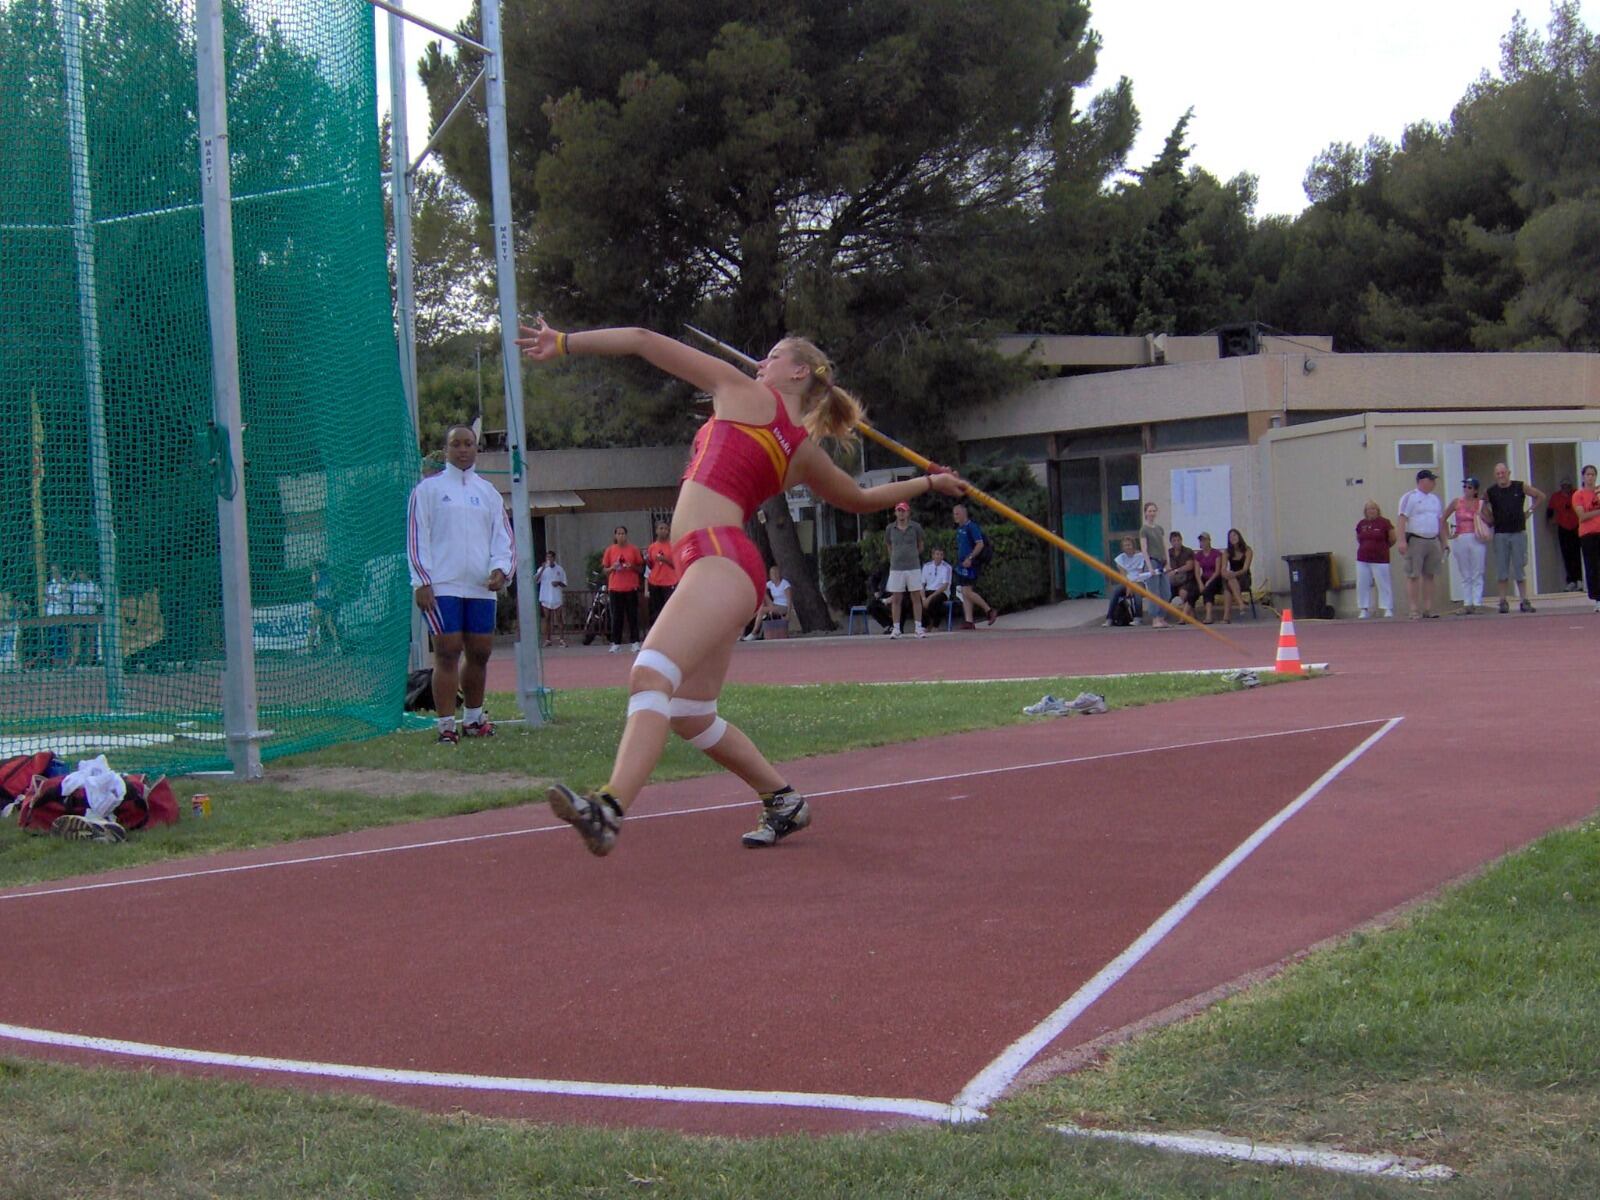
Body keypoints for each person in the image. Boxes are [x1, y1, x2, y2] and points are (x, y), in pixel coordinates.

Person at [515, 318, 967, 855]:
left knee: (649, 675)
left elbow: (641, 340)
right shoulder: (801, 448)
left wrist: (565, 343)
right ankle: (781, 798)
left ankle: (608, 807)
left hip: (717, 556)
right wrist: (931, 481)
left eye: (774, 356)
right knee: (687, 713)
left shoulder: (745, 393)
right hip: (727, 564)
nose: (762, 362)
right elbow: (860, 500)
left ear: (799, 371)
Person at [407, 423, 514, 743]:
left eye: (469, 443)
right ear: (447, 449)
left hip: (481, 587)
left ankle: (472, 720)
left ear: (476, 449)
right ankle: (445, 727)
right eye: (457, 444)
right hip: (443, 585)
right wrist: (422, 581)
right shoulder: (427, 491)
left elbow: (503, 538)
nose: (463, 449)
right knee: (448, 651)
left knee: (480, 652)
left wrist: (500, 569)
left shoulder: (489, 493)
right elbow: (416, 538)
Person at [1485, 462, 1545, 614]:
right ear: (1495, 475)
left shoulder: (1520, 486)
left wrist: (1529, 510)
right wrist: (1489, 519)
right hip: (1500, 534)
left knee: (1519, 568)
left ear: (1508, 473)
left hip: (1518, 532)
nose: (1501, 476)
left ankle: (1524, 600)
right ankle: (1503, 601)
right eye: (1498, 473)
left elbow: (1540, 496)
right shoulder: (1491, 491)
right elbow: (1481, 506)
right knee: (1502, 569)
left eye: (1503, 472)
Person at [1396, 469, 1447, 619]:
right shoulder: (1409, 497)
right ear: (1422, 481)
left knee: (1430, 574)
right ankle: (1413, 608)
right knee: (1414, 574)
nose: (1433, 483)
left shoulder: (1435, 499)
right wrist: (1401, 540)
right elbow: (1402, 519)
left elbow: (1440, 521)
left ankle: (1428, 608)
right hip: (1416, 539)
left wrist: (1444, 541)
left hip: (1432, 539)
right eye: (1431, 480)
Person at [1443, 477, 1490, 615]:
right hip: (1460, 537)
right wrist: (1448, 534)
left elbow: (1490, 520)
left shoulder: (1480, 503)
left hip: (1476, 537)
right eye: (1465, 487)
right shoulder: (1457, 502)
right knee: (1465, 572)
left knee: (1478, 570)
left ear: (1475, 490)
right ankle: (1467, 602)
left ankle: (1477, 602)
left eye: (1469, 487)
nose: (1466, 490)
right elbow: (1443, 517)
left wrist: (1481, 513)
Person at [884, 501, 927, 638]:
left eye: (903, 511)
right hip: (896, 568)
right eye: (899, 511)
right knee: (896, 597)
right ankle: (896, 628)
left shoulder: (916, 527)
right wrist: (895, 557)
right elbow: (889, 546)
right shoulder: (890, 529)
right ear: (895, 513)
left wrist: (913, 555)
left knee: (916, 596)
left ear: (908, 512)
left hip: (913, 567)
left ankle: (918, 627)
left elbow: (920, 545)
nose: (901, 513)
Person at [952, 503, 998, 629]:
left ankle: (989, 610)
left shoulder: (971, 527)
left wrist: (970, 557)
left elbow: (980, 544)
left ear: (963, 514)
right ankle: (969, 620)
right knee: (964, 591)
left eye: (957, 514)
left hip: (971, 564)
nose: (955, 516)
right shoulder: (960, 529)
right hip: (962, 564)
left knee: (967, 590)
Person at [601, 525, 645, 653]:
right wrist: (612, 568)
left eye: (623, 533)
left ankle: (635, 642)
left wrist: (632, 567)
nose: (621, 536)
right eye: (618, 533)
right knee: (617, 616)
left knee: (632, 616)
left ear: (627, 535)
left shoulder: (633, 549)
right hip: (615, 587)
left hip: (631, 587)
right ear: (615, 536)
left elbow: (641, 569)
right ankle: (616, 643)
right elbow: (605, 570)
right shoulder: (610, 550)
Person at [1354, 500, 1396, 619]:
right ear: (1365, 511)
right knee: (1362, 583)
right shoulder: (1361, 524)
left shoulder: (1384, 523)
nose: (1371, 511)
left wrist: (1383, 548)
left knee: (1383, 583)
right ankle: (1364, 609)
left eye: (1373, 508)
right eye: (1368, 509)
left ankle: (1387, 608)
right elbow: (1359, 538)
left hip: (1380, 559)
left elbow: (1392, 538)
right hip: (1362, 559)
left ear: (1378, 510)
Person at [1102, 535, 1153, 626]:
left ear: (1133, 545)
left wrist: (1132, 585)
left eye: (1129, 545)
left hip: (1139, 581)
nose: (1127, 547)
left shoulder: (1141, 556)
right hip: (1127, 582)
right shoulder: (1120, 558)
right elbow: (1123, 574)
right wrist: (1129, 585)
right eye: (1125, 545)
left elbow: (1140, 574)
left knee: (1137, 590)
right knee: (1116, 591)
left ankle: (1138, 617)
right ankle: (1109, 618)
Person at [1546, 478, 1584, 591]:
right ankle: (1571, 580)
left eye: (1568, 486)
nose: (1566, 488)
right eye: (1564, 486)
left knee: (1578, 553)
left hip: (1576, 527)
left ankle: (1580, 580)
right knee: (1567, 555)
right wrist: (1550, 521)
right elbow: (1549, 511)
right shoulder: (1556, 497)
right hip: (1563, 528)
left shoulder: (1576, 494)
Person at [1138, 502, 1170, 627]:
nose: (1152, 513)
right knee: (1154, 592)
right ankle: (1155, 618)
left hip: (1161, 562)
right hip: (1152, 561)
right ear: (1145, 513)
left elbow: (1164, 546)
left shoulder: (1159, 528)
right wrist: (1149, 567)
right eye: (1149, 511)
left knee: (1166, 592)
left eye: (1154, 511)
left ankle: (1162, 617)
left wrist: (1168, 562)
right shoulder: (1144, 530)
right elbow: (1144, 549)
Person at [1574, 464, 1600, 612]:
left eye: (1593, 474)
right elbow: (1582, 515)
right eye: (1588, 475)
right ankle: (1597, 598)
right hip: (1588, 534)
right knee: (1592, 566)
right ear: (1583, 477)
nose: (1590, 477)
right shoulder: (1579, 495)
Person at [644, 520, 678, 630]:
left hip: (669, 582)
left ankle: (671, 631)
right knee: (656, 610)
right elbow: (650, 566)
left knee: (669, 609)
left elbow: (676, 565)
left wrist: (665, 560)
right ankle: (658, 632)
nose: (663, 531)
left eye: (666, 529)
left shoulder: (672, 546)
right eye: (661, 528)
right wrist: (646, 559)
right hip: (655, 581)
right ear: (656, 531)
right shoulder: (652, 547)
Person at [745, 564, 792, 640]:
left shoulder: (785, 584)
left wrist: (788, 615)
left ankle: (754, 632)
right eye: (772, 574)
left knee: (762, 610)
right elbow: (760, 587)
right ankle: (754, 621)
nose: (773, 575)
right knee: (762, 596)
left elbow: (789, 601)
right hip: (774, 605)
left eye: (775, 573)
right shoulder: (770, 584)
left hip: (783, 606)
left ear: (779, 574)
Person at [535, 549, 568, 647]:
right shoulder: (542, 569)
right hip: (545, 596)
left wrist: (558, 583)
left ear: (554, 558)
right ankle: (547, 639)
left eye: (551, 557)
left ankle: (562, 639)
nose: (549, 559)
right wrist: (543, 569)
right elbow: (536, 579)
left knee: (559, 618)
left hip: (556, 597)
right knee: (547, 618)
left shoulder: (560, 569)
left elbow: (564, 583)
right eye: (547, 557)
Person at [1220, 529, 1254, 623]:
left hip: (1244, 577)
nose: (1233, 538)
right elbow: (1223, 568)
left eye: (1235, 535)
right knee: (1228, 582)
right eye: (1230, 537)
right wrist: (1226, 573)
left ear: (1239, 536)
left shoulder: (1248, 550)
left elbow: (1245, 569)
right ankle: (1241, 604)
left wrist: (1233, 574)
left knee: (1229, 585)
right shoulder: (1227, 552)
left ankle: (1226, 617)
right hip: (1232, 577)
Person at [1193, 532, 1225, 624]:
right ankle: (1187, 615)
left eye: (1205, 540)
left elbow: (1217, 571)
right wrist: (1200, 583)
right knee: (1193, 590)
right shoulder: (1198, 555)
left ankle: (1209, 616)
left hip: (1215, 578)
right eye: (1201, 540)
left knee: (1208, 589)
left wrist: (1209, 581)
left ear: (1209, 541)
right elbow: (1197, 571)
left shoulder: (1216, 553)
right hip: (1204, 577)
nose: (1203, 542)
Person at [1165, 532, 1198, 617]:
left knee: (1183, 593)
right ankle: (1160, 618)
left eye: (1178, 540)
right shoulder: (1168, 553)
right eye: (1174, 540)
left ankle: (1189, 616)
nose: (1176, 542)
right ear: (1171, 542)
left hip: (1186, 580)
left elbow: (1189, 566)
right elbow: (1165, 566)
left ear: (1181, 540)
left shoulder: (1188, 551)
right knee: (1163, 593)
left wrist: (1176, 571)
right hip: (1172, 581)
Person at [309, 564, 340, 654]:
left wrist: (313, 599)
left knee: (314, 624)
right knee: (329, 624)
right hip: (328, 601)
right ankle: (337, 646)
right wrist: (333, 593)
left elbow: (314, 587)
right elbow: (339, 583)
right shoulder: (329, 575)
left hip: (319, 601)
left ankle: (310, 648)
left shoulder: (316, 574)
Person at [920, 546, 954, 629]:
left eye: (941, 555)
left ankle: (935, 625)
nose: (939, 557)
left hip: (941, 592)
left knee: (935, 600)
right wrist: (923, 598)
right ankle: (926, 624)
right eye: (937, 554)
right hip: (928, 590)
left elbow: (945, 585)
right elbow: (922, 584)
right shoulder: (926, 566)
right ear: (933, 555)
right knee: (917, 601)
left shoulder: (947, 567)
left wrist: (929, 598)